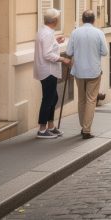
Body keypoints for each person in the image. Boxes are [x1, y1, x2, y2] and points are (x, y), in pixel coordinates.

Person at [66, 10, 109, 139]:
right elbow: (105, 52)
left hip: (79, 71)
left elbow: (68, 51)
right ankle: (86, 129)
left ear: (82, 20)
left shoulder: (75, 32)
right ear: (93, 20)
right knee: (91, 100)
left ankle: (82, 126)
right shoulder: (99, 33)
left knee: (81, 99)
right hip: (93, 71)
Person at [33, 8, 71, 139]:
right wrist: (63, 59)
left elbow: (47, 46)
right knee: (48, 99)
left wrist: (56, 41)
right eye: (58, 18)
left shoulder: (43, 31)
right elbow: (47, 54)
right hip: (48, 71)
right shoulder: (47, 34)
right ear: (54, 21)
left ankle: (51, 126)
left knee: (53, 97)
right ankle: (42, 129)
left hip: (45, 69)